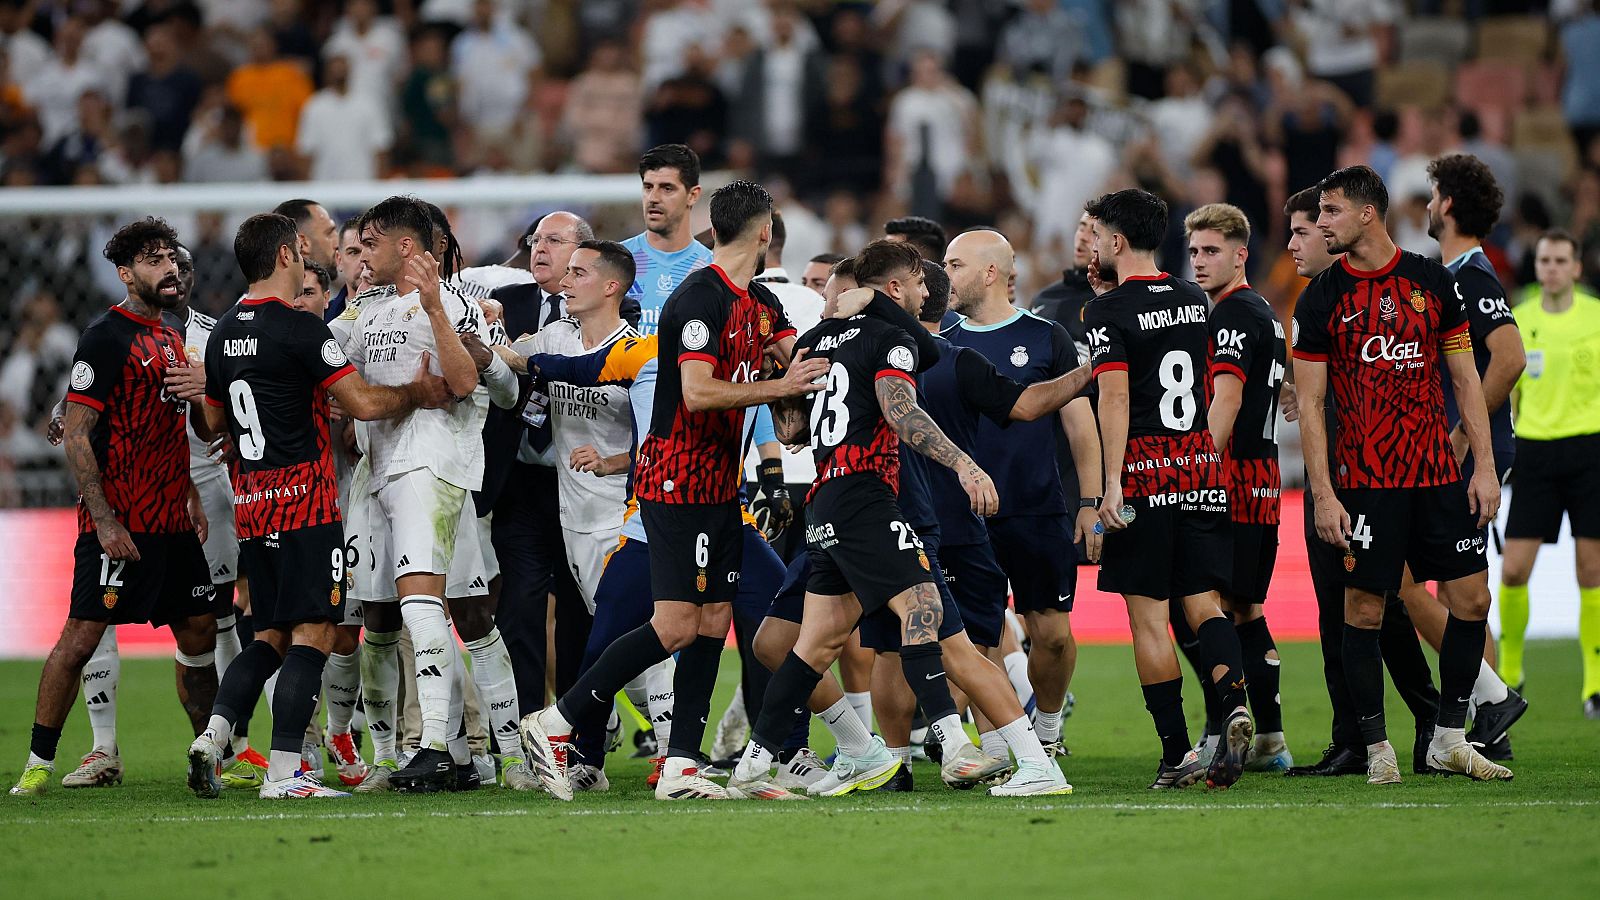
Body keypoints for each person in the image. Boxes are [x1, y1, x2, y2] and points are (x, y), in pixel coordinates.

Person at [517, 180, 825, 802]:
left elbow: (791, 386)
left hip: (719, 487)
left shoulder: (759, 306)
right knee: (679, 624)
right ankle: (557, 722)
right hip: (676, 480)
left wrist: (796, 387)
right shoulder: (698, 298)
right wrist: (777, 387)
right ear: (765, 232)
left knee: (712, 623)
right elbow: (698, 393)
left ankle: (681, 765)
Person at [731, 239, 1071, 799]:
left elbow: (790, 429)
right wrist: (965, 464)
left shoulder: (819, 340)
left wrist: (778, 376)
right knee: (935, 623)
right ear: (895, 288)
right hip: (869, 501)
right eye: (917, 280)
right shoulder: (889, 339)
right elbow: (902, 411)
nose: (926, 288)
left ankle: (758, 764)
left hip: (825, 504)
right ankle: (1005, 755)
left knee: (811, 644)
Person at [185, 213, 449, 800]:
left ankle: (213, 734)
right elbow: (362, 403)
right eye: (300, 253)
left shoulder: (225, 332)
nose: (307, 262)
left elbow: (207, 421)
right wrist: (419, 392)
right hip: (304, 504)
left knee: (269, 635)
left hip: (252, 502)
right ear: (284, 256)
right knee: (315, 631)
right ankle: (285, 773)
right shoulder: (302, 328)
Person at [1293, 165, 1512, 784]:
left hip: (1439, 476)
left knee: (1471, 598)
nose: (1321, 222)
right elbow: (1309, 404)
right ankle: (1378, 747)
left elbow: (1468, 378)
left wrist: (1484, 468)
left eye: (1331, 211)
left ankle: (1447, 736)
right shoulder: (1321, 297)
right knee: (1363, 612)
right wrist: (1324, 495)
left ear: (1367, 213)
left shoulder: (1431, 281)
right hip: (1365, 482)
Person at [12, 218, 220, 797]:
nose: (169, 268)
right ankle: (38, 762)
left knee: (201, 630)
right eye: (153, 261)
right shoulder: (105, 336)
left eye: (170, 258)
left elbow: (180, 427)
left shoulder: (173, 338)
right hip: (121, 526)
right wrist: (103, 521)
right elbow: (77, 433)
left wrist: (191, 490)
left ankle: (207, 753)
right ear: (128, 275)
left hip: (172, 524)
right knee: (80, 637)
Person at [1083, 189, 1253, 790]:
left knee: (1149, 621)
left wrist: (1109, 485)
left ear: (1117, 241)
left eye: (1098, 234)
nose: (1095, 244)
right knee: (1204, 602)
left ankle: (1178, 753)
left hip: (1144, 469)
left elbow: (1116, 395)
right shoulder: (1192, 299)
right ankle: (1232, 698)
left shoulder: (1106, 311)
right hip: (1201, 466)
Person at [1279, 185, 1447, 779]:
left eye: (1307, 229)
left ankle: (1440, 714)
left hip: (1372, 473)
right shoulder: (1317, 308)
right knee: (1342, 609)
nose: (1301, 241)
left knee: (1373, 605)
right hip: (1336, 475)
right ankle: (1358, 735)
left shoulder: (1364, 296)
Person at [339, 196, 490, 793]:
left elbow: (463, 382)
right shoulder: (369, 314)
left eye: (370, 243)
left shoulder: (450, 303)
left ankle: (436, 747)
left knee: (423, 605)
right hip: (376, 472)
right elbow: (334, 374)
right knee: (377, 616)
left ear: (406, 247)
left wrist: (433, 307)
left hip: (430, 464)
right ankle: (390, 756)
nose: (360, 256)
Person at [945, 229, 1099, 755]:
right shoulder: (940, 340)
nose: (947, 275)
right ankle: (996, 745)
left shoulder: (1045, 336)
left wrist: (1090, 503)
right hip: (965, 517)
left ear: (991, 273)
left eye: (956, 264)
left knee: (1052, 634)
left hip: (1036, 509)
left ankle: (1048, 728)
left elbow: (1080, 425)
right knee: (978, 638)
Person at [1415, 153, 1528, 757]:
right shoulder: (1458, 273)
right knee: (1459, 595)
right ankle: (1488, 718)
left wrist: (1463, 434)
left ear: (1449, 204)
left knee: (1421, 588)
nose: (1427, 205)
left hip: (1467, 452)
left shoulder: (1470, 276)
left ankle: (1490, 700)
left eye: (1433, 194)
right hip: (1457, 451)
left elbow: (1508, 358)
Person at [1183, 203, 1293, 772]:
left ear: (1241, 254)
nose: (1199, 262)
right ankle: (1272, 740)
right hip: (1264, 482)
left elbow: (1224, 402)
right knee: (1247, 609)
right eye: (1195, 251)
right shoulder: (1265, 314)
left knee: (1205, 608)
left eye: (1212, 251)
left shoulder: (1229, 316)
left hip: (1227, 479)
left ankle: (1218, 729)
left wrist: (1196, 467)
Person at [1499, 230, 1600, 720]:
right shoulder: (1522, 316)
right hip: (1536, 452)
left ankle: (1594, 684)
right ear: (1536, 267)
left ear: (1577, 267)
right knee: (1515, 569)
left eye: (1562, 259)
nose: (1553, 268)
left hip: (1590, 450)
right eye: (1545, 260)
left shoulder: (1596, 316)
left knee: (1592, 570)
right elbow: (1510, 392)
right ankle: (1512, 674)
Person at [622, 144, 711, 336]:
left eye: (667, 188)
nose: (653, 198)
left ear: (693, 195)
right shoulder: (616, 262)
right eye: (648, 187)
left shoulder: (712, 269)